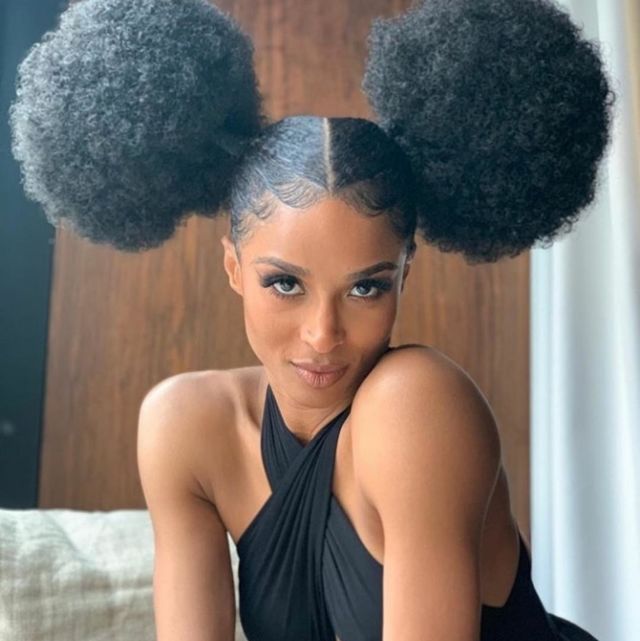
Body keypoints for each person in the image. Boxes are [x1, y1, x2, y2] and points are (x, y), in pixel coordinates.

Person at [8, 0, 614, 639]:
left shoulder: (416, 404)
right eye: (285, 283)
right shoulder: (185, 426)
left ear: (405, 273)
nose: (323, 334)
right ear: (234, 268)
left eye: (366, 287)